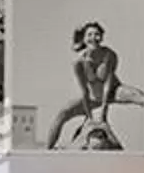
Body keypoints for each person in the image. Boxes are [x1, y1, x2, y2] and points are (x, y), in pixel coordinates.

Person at [48, 20, 134, 149]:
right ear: (83, 39)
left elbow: (108, 85)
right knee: (63, 113)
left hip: (114, 92)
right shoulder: (79, 62)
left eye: (97, 34)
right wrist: (90, 117)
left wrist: (103, 115)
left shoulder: (109, 55)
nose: (94, 38)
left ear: (102, 37)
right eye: (89, 35)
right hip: (93, 98)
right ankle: (47, 150)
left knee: (142, 97)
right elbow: (84, 91)